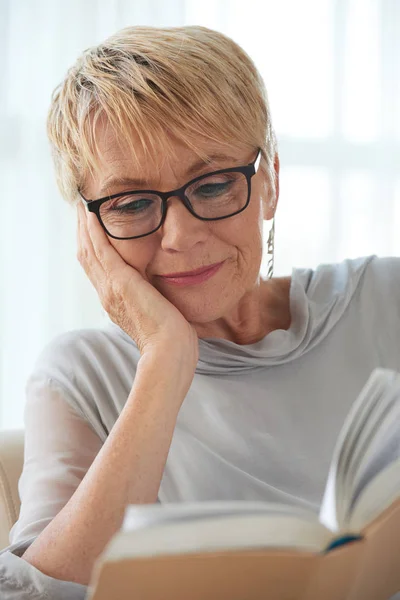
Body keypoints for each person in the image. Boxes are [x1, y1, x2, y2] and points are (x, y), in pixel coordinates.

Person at [0, 24, 399, 600]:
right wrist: (165, 358)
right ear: (89, 228)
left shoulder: (384, 300)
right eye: (132, 203)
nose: (181, 237)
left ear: (270, 183)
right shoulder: (81, 374)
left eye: (212, 186)